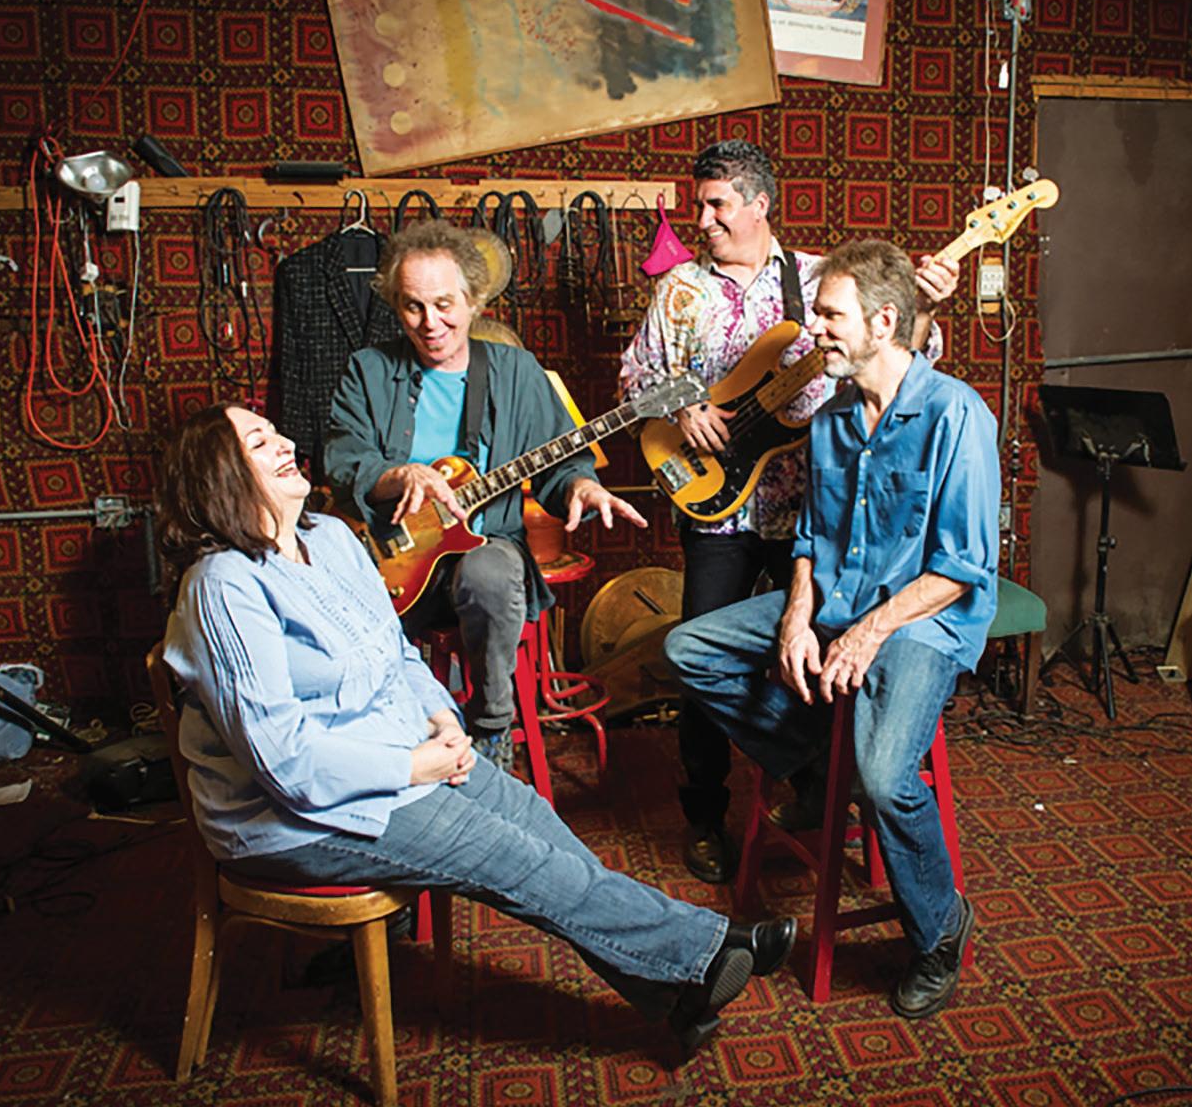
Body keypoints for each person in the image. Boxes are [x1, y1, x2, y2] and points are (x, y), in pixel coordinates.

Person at [157, 402, 797, 1061]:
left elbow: (396, 654)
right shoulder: (223, 588)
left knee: (532, 819)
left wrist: (443, 721)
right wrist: (417, 768)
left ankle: (673, 992)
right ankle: (710, 947)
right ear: (220, 475)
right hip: (298, 817)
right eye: (260, 442)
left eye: (275, 431)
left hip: (397, 755)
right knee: (512, 856)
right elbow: (286, 764)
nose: (286, 442)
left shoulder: (330, 539)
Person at [664, 240, 998, 1019]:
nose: (813, 329)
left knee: (884, 779)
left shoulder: (955, 413)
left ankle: (938, 929)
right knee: (688, 647)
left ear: (882, 322)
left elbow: (961, 567)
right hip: (836, 603)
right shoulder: (832, 418)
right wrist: (794, 617)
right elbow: (811, 539)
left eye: (828, 315)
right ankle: (819, 765)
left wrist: (865, 633)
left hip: (921, 619)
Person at [619, 139, 960, 884]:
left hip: (814, 515)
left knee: (809, 651)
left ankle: (817, 779)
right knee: (699, 661)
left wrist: (928, 306)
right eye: (699, 204)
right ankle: (705, 816)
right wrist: (683, 409)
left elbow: (903, 356)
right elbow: (635, 373)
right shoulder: (678, 289)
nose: (702, 220)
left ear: (759, 204)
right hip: (716, 508)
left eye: (716, 204)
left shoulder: (817, 279)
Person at [325, 219, 646, 770]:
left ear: (474, 301)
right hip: (390, 554)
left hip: (485, 544)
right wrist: (398, 476)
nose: (430, 323)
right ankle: (387, 741)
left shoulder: (517, 372)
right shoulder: (368, 370)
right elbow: (341, 457)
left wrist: (582, 485)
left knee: (490, 573)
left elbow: (560, 463)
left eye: (444, 304)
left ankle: (492, 729)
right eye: (412, 307)